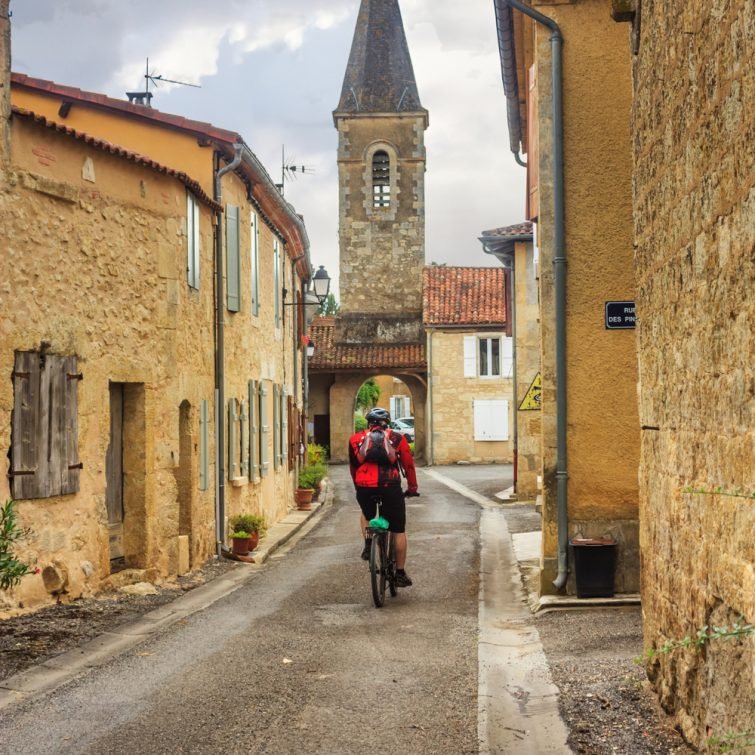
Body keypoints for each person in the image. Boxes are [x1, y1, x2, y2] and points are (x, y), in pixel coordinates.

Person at [348, 407, 419, 587]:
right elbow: (408, 465)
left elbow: (353, 466)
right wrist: (412, 488)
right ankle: (400, 573)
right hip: (390, 485)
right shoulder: (397, 438)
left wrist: (358, 486)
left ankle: (368, 543)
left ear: (368, 423)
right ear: (387, 422)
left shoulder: (356, 438)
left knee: (367, 513)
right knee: (398, 529)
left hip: (364, 486)